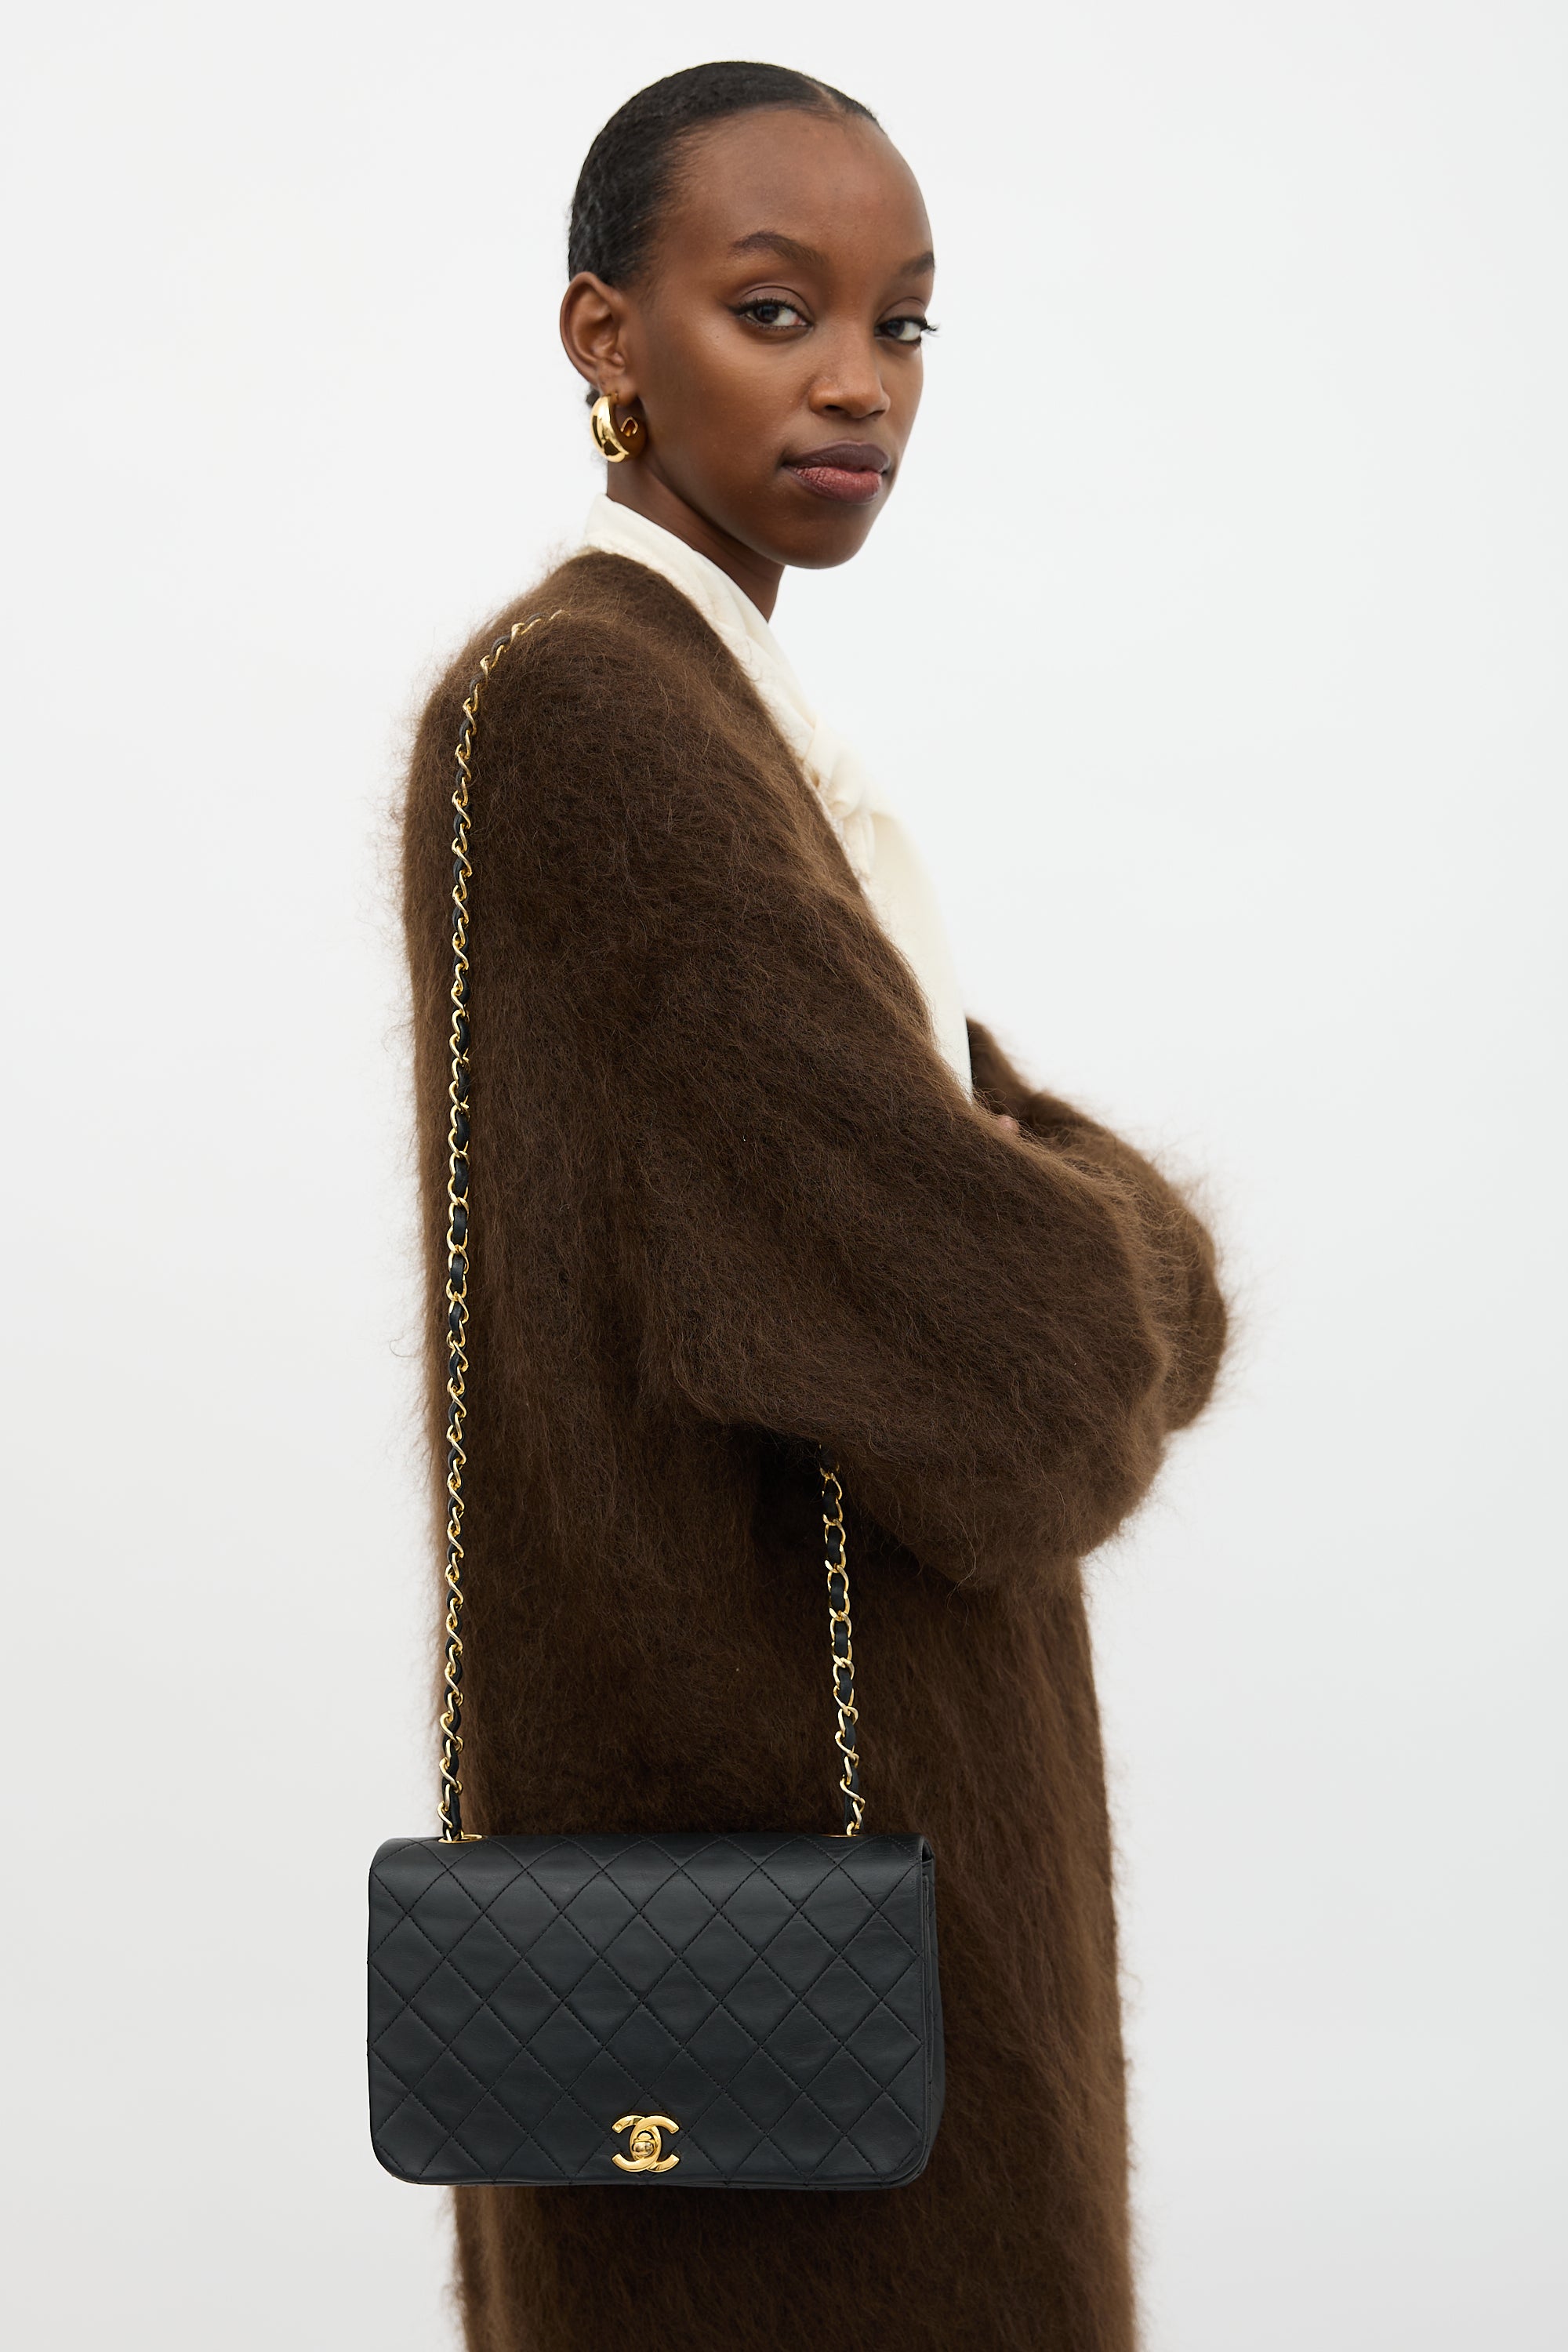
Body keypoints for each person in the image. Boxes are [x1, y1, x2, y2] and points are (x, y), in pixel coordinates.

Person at [400, 59, 1226, 2352]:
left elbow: (973, 1208)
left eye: (903, 322)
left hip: (802, 1876)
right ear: (606, 335)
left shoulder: (702, 713)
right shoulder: (595, 723)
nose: (859, 380)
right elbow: (1036, 1372)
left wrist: (1048, 1219)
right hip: (776, 1899)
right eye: (776, 310)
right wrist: (1118, 1248)